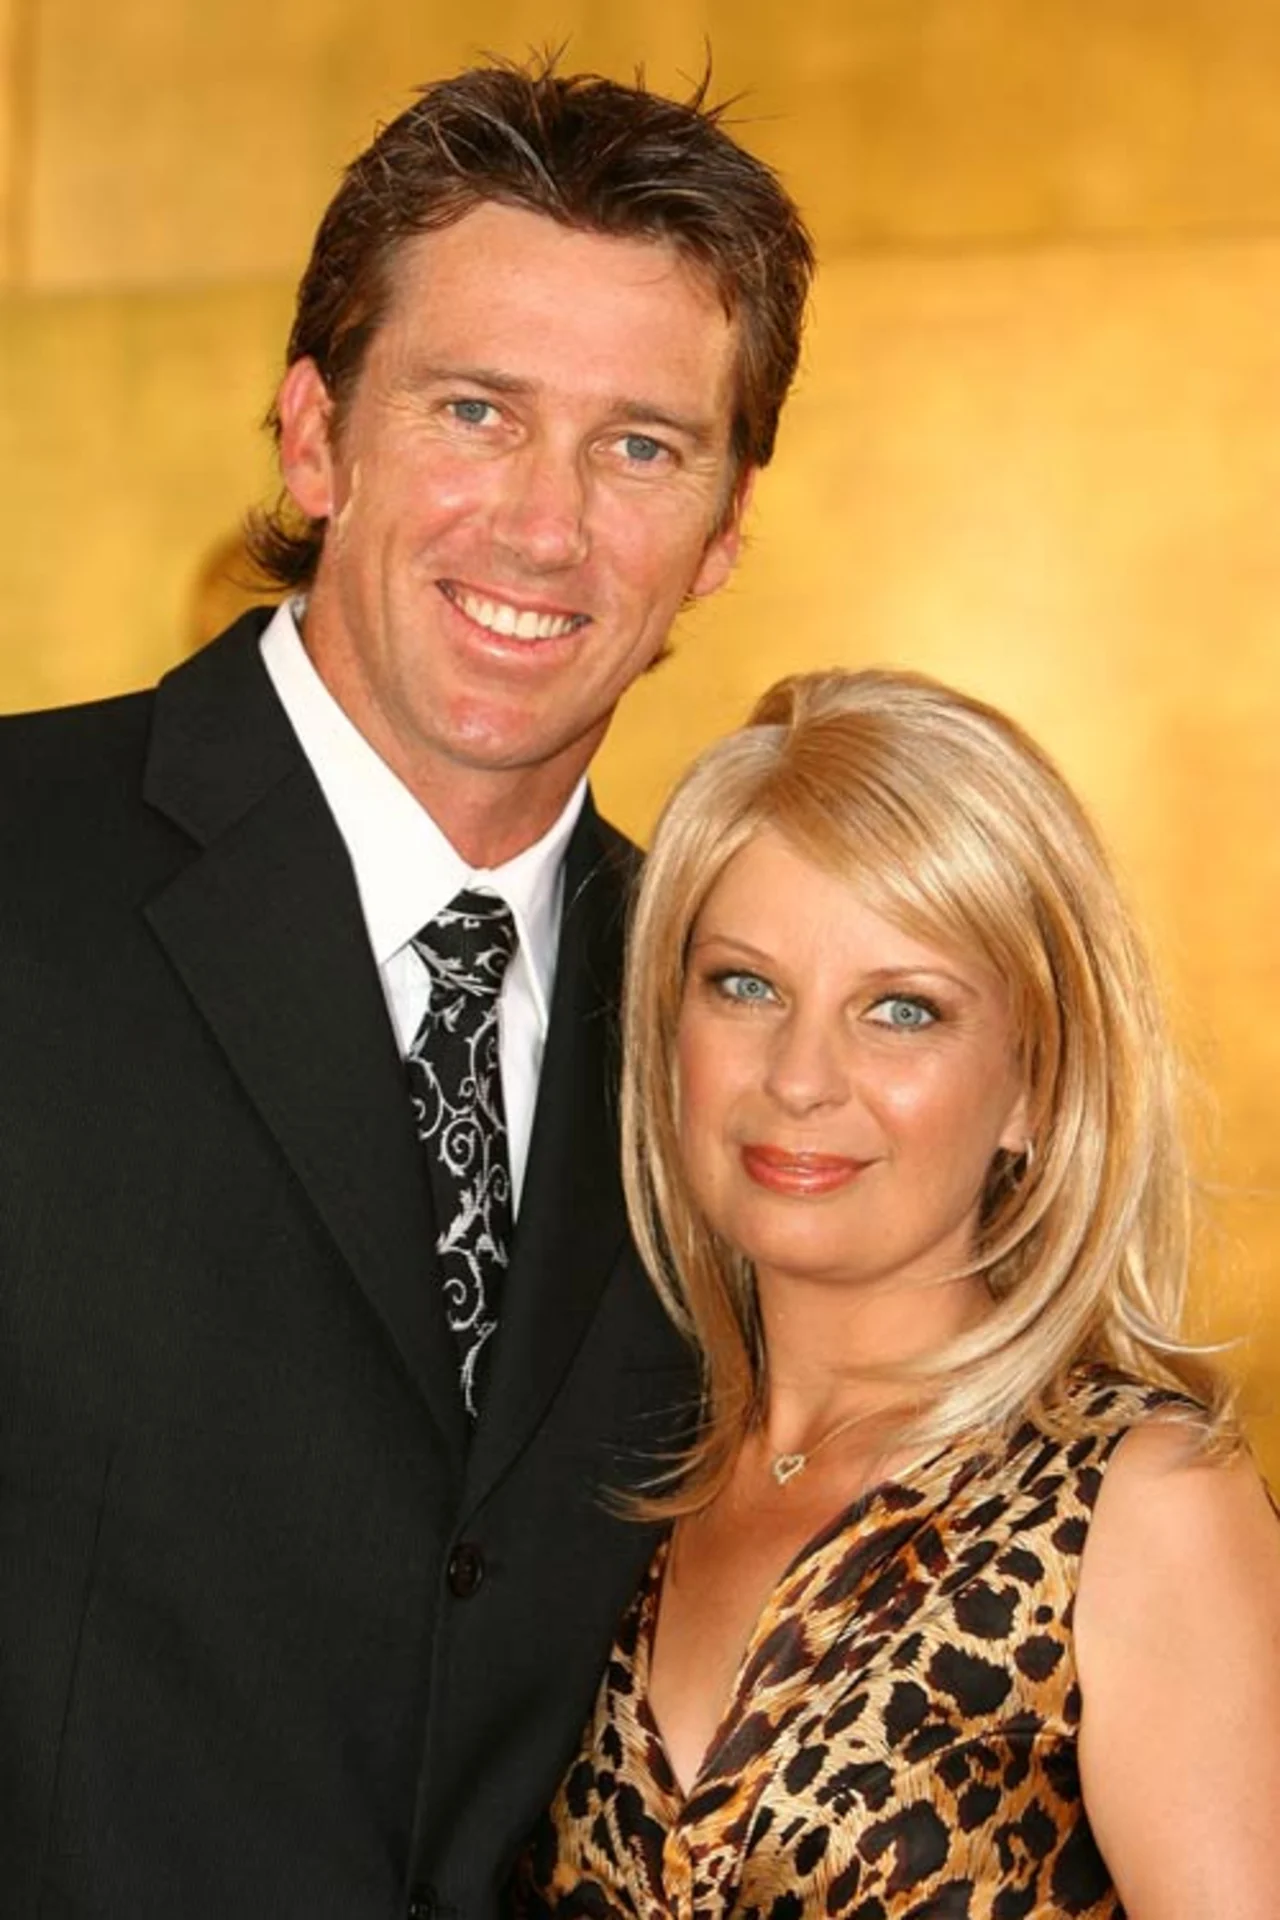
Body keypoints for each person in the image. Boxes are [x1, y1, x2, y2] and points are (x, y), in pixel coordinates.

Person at [0, 58, 813, 1920]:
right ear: (313, 440)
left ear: (726, 530)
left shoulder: (742, 1029)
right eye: (474, 411)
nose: (546, 527)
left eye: (640, 446)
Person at [517, 669, 1280, 1917]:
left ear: (1037, 1087)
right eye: (745, 986)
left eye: (901, 1010)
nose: (800, 1075)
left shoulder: (1138, 1506)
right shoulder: (605, 1479)